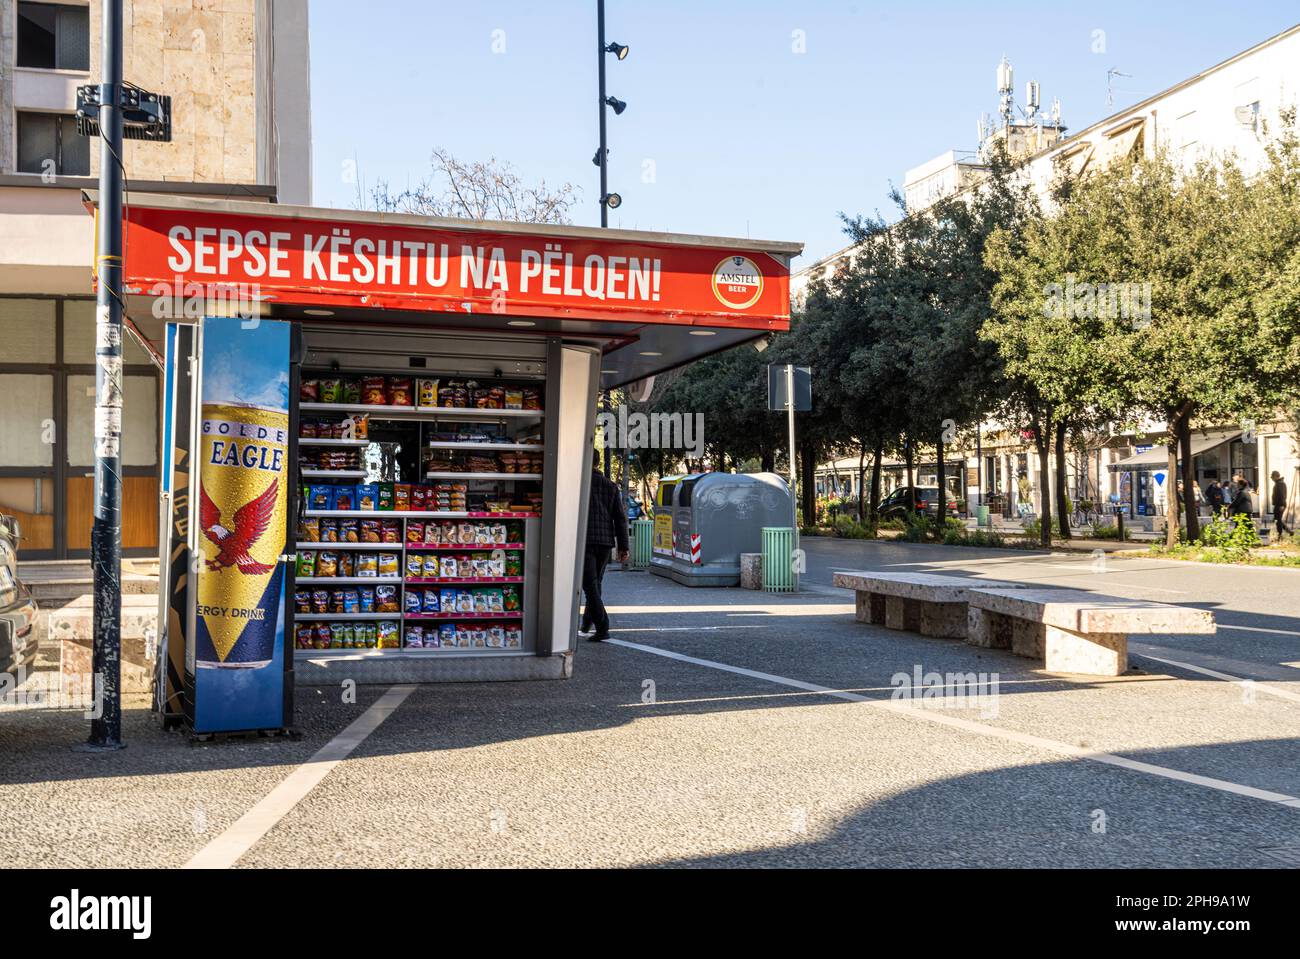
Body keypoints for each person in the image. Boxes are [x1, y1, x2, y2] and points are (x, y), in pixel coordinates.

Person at [581, 450, 630, 642]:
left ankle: (603, 626)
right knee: (595, 583)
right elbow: (620, 518)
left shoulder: (579, 484)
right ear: (598, 462)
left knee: (589, 585)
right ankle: (587, 621)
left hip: (585, 540)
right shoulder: (611, 486)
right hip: (605, 542)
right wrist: (623, 546)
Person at [1271, 470, 1291, 537]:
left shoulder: (1280, 483)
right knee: (1278, 519)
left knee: (1278, 520)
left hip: (1280, 504)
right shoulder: (1278, 483)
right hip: (1278, 504)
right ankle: (1289, 531)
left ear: (1276, 476)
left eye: (1272, 477)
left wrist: (1282, 505)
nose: (1272, 479)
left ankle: (1280, 535)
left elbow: (1282, 495)